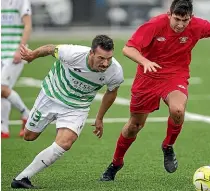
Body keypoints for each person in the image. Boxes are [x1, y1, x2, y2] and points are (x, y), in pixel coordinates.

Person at [99, 0, 210, 181]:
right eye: (176, 19)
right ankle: (116, 163)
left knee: (177, 110)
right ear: (169, 14)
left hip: (175, 76)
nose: (180, 24)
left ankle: (168, 146)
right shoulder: (154, 24)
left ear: (191, 17)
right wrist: (145, 61)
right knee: (134, 126)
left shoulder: (198, 25)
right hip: (147, 77)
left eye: (184, 20)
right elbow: (128, 49)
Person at [11, 35, 124, 189]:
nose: (105, 63)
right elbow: (50, 49)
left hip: (77, 107)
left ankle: (22, 178)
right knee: (29, 136)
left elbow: (111, 93)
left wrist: (99, 118)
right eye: (101, 58)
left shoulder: (115, 71)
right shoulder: (73, 53)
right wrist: (32, 55)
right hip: (50, 96)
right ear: (91, 53)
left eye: (109, 58)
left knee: (65, 142)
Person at [1, 0, 32, 138]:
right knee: (3, 92)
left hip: (13, 53)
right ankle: (4, 128)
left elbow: (28, 25)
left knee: (2, 88)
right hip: (1, 52)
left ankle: (27, 113)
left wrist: (20, 49)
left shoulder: (21, 1)